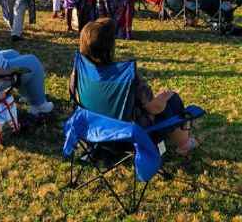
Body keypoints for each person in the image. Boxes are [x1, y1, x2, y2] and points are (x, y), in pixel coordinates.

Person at [71, 19, 198, 154]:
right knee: (171, 101)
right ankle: (184, 143)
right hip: (128, 138)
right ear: (110, 47)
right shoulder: (125, 76)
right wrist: (165, 96)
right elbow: (154, 108)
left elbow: (76, 102)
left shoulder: (78, 73)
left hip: (93, 133)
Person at [0, 44, 54, 115]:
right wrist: (9, 71)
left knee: (12, 53)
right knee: (33, 62)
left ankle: (28, 94)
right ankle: (39, 105)